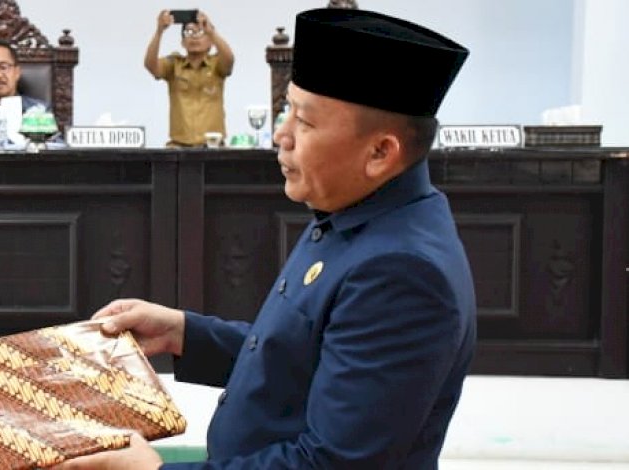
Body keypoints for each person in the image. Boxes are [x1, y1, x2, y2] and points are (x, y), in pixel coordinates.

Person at [59, 8, 473, 469]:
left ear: (380, 153)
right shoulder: (359, 213)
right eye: (287, 112)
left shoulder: (402, 272)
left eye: (306, 122)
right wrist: (184, 333)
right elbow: (300, 358)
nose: (282, 135)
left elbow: (331, 464)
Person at [144, 9, 234, 147]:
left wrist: (211, 31)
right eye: (189, 32)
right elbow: (150, 65)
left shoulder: (217, 64)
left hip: (212, 145)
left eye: (200, 32)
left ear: (210, 42)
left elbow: (229, 59)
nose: (194, 37)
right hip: (179, 146)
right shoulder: (174, 64)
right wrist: (159, 31)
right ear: (183, 42)